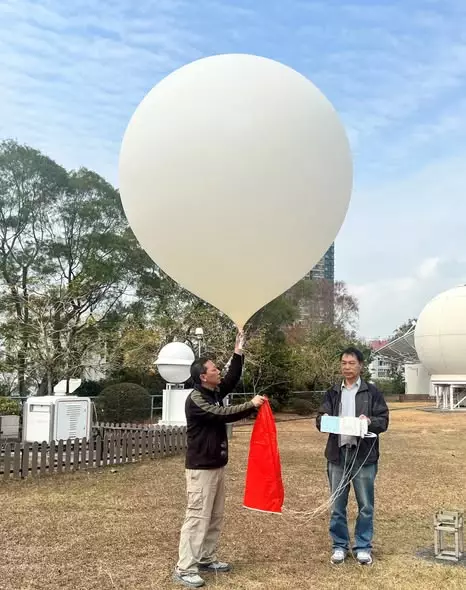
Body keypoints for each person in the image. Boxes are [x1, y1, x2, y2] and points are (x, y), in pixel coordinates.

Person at [174, 330, 265, 588]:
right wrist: (251, 404)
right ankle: (184, 568)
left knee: (214, 515)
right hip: (201, 469)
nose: (219, 371)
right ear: (204, 376)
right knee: (197, 517)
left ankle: (206, 557)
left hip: (217, 465)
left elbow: (232, 378)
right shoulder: (197, 399)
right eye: (214, 369)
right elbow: (223, 414)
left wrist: (238, 352)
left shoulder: (213, 391)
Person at [316, 346, 389, 566]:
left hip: (363, 456)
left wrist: (369, 422)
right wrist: (326, 420)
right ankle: (339, 545)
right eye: (344, 363)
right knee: (337, 505)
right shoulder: (332, 392)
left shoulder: (372, 392)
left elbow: (383, 421)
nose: (347, 367)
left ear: (360, 366)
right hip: (338, 455)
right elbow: (319, 420)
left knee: (365, 505)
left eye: (352, 363)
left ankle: (363, 546)